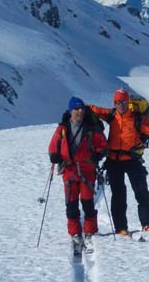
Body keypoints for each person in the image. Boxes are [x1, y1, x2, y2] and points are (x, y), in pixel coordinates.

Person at [88, 88, 149, 235]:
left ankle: (147, 224)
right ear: (114, 103)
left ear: (128, 102)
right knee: (118, 195)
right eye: (117, 102)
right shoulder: (111, 115)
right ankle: (121, 228)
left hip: (132, 160)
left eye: (123, 101)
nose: (120, 104)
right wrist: (76, 107)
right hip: (114, 161)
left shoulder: (137, 119)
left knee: (142, 193)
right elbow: (93, 109)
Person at [48, 97, 108, 249]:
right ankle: (75, 233)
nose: (80, 111)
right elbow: (53, 145)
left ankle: (89, 231)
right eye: (76, 109)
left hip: (87, 170)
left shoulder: (90, 127)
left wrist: (99, 154)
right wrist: (53, 155)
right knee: (71, 204)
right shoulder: (62, 128)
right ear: (70, 111)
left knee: (87, 203)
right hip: (69, 171)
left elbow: (102, 144)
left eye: (81, 108)